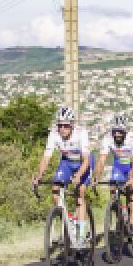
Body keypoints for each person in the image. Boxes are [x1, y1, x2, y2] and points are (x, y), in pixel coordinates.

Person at [32, 106, 94, 247]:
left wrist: (78, 175)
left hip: (82, 163)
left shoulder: (81, 133)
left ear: (72, 125)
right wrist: (38, 176)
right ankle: (68, 220)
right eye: (60, 125)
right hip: (66, 162)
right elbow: (46, 158)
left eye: (66, 126)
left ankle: (82, 233)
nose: (62, 129)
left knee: (80, 193)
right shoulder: (54, 134)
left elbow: (87, 160)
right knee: (55, 191)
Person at [93, 115, 133, 231]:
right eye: (115, 132)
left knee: (130, 190)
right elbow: (102, 160)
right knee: (113, 189)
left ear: (126, 131)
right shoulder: (107, 138)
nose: (117, 135)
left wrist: (131, 177)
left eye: (120, 132)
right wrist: (96, 177)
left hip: (131, 166)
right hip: (118, 166)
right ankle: (119, 215)